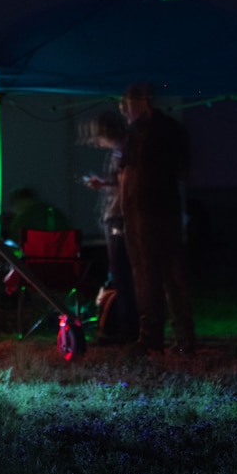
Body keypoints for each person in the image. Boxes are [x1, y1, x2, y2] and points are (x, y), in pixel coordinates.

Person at [119, 83, 195, 353]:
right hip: (169, 208)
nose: (123, 107)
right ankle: (184, 336)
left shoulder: (138, 132)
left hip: (143, 211)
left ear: (142, 101)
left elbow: (126, 172)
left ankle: (150, 336)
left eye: (126, 101)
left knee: (146, 274)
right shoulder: (174, 129)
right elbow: (185, 169)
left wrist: (124, 206)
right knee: (175, 274)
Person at [81, 109, 137, 344]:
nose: (97, 143)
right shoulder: (122, 149)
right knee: (120, 274)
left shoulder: (123, 151)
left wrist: (102, 184)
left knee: (121, 274)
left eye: (98, 137)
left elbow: (123, 185)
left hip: (119, 217)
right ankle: (124, 325)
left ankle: (125, 328)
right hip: (117, 216)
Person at [5, 187, 73, 243]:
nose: (13, 209)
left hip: (33, 257)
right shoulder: (55, 213)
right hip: (62, 256)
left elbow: (14, 239)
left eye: (13, 204)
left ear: (21, 201)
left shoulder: (23, 217)